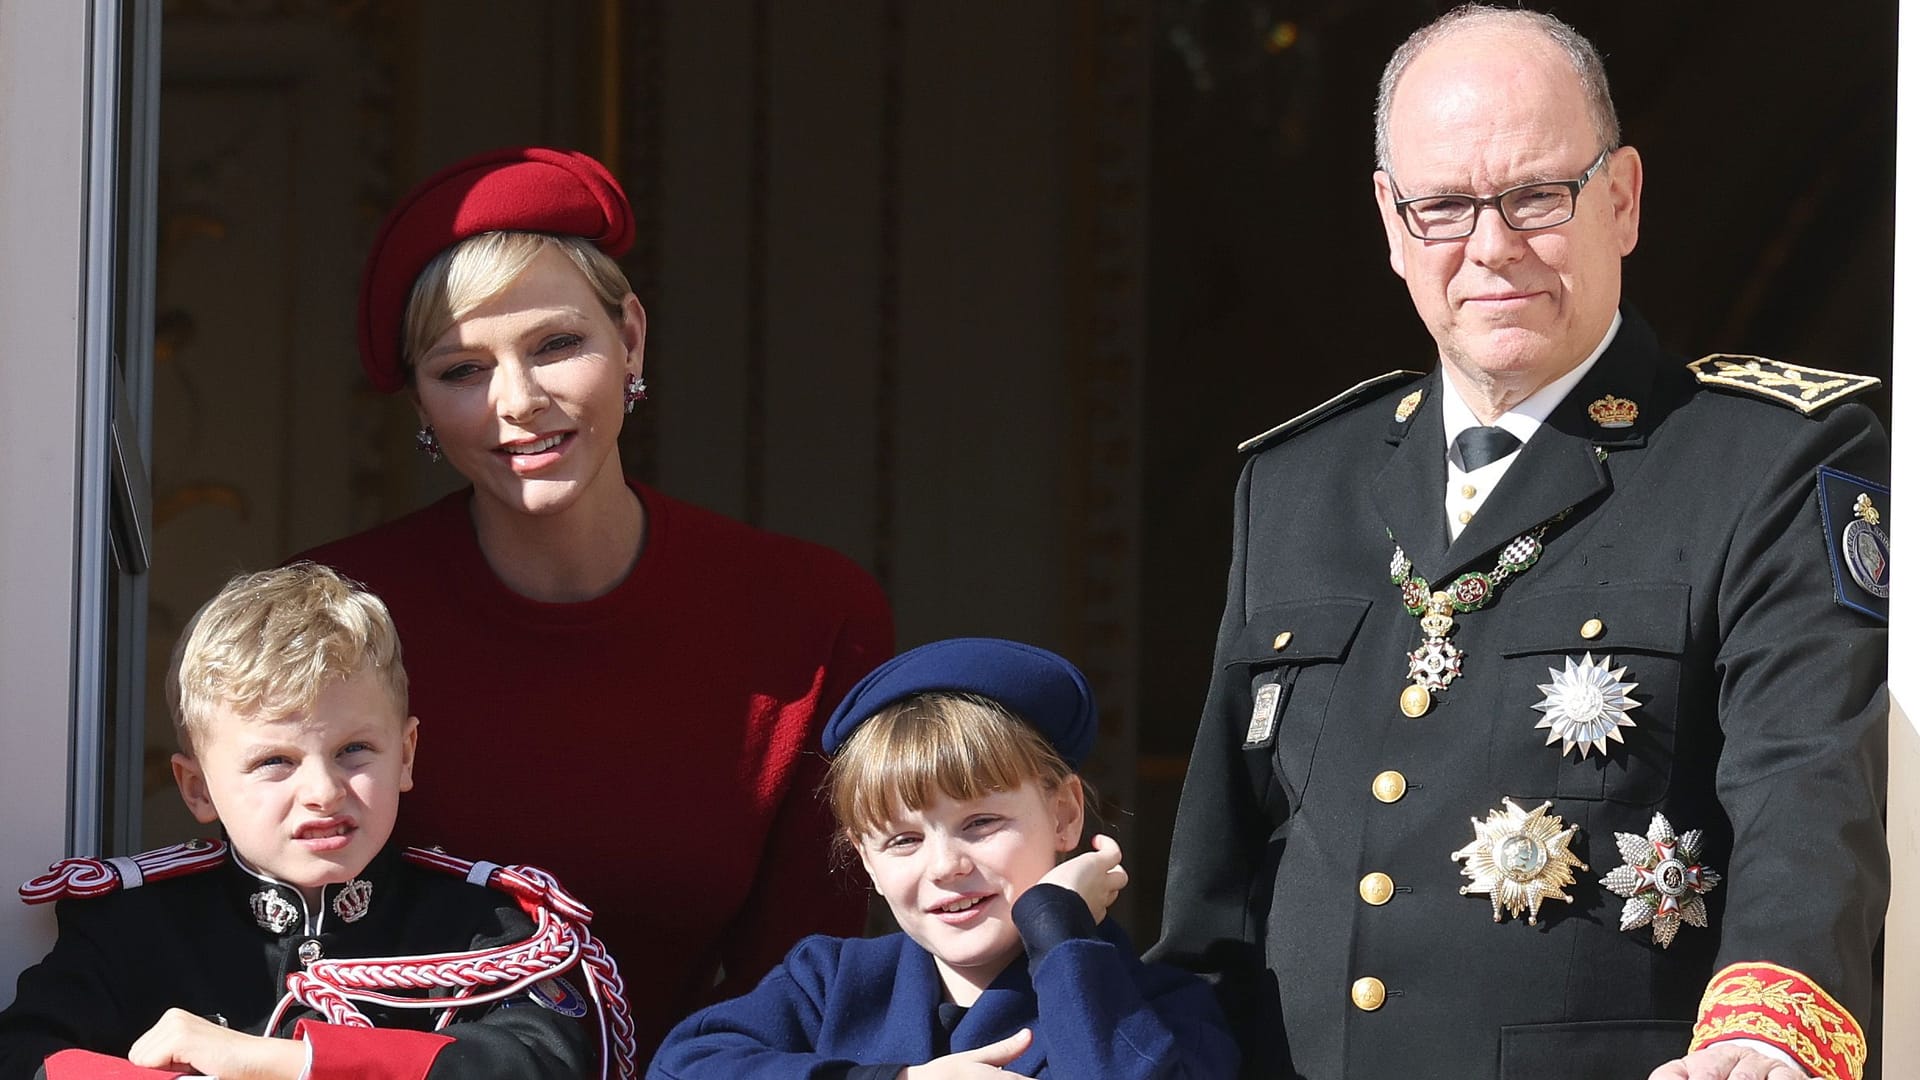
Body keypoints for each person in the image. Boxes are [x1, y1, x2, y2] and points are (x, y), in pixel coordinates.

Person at [1150, 7, 1889, 1080]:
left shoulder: (1762, 464)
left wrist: (1769, 1028)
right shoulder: (1297, 483)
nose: (1491, 246)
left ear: (1622, 199)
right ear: (1391, 223)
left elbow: (1809, 784)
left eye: (1537, 197)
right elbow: (1217, 892)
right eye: (1444, 206)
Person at [296, 146, 895, 1055]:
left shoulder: (810, 616)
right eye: (461, 370)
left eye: (556, 345)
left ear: (632, 339)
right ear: (419, 401)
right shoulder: (326, 618)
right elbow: (277, 944)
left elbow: (808, 981)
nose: (519, 402)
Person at [0, 563, 632, 1080]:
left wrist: (286, 1063)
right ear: (197, 789)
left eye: (354, 750)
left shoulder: (486, 928)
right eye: (275, 761)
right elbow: (27, 1055)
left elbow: (545, 1063)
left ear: (406, 755)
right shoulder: (135, 929)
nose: (323, 792)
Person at [647, 637, 1239, 1079]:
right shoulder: (831, 984)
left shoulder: (1161, 1003)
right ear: (867, 861)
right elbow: (682, 1067)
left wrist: (1062, 932)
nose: (945, 865)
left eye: (980, 823)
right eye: (903, 840)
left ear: (1063, 815)